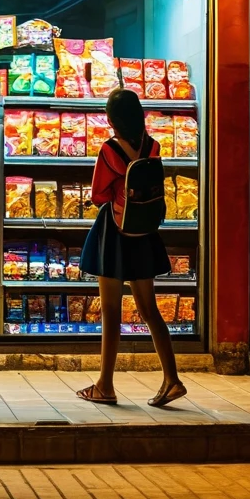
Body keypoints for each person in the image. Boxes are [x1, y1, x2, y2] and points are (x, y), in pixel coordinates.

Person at [77, 87, 186, 408]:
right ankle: (172, 378)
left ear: (111, 119)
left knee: (111, 311)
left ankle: (105, 385)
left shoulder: (109, 149)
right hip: (145, 232)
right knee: (149, 309)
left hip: (115, 232)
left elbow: (98, 195)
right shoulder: (152, 145)